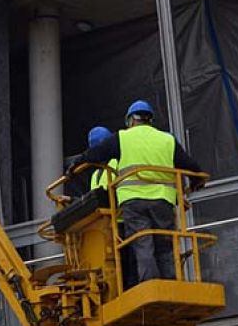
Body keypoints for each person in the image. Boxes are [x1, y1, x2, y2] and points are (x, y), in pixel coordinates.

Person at [68, 100, 205, 283]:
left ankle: (149, 285)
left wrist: (75, 165)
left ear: (131, 120)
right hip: (163, 201)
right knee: (165, 244)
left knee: (142, 243)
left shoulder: (123, 138)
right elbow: (192, 166)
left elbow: (94, 154)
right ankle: (173, 282)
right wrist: (197, 181)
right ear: (150, 119)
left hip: (134, 202)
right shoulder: (167, 139)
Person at [87, 126, 137, 290]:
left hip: (122, 221)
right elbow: (96, 198)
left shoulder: (118, 163)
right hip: (107, 226)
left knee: (128, 261)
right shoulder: (96, 174)